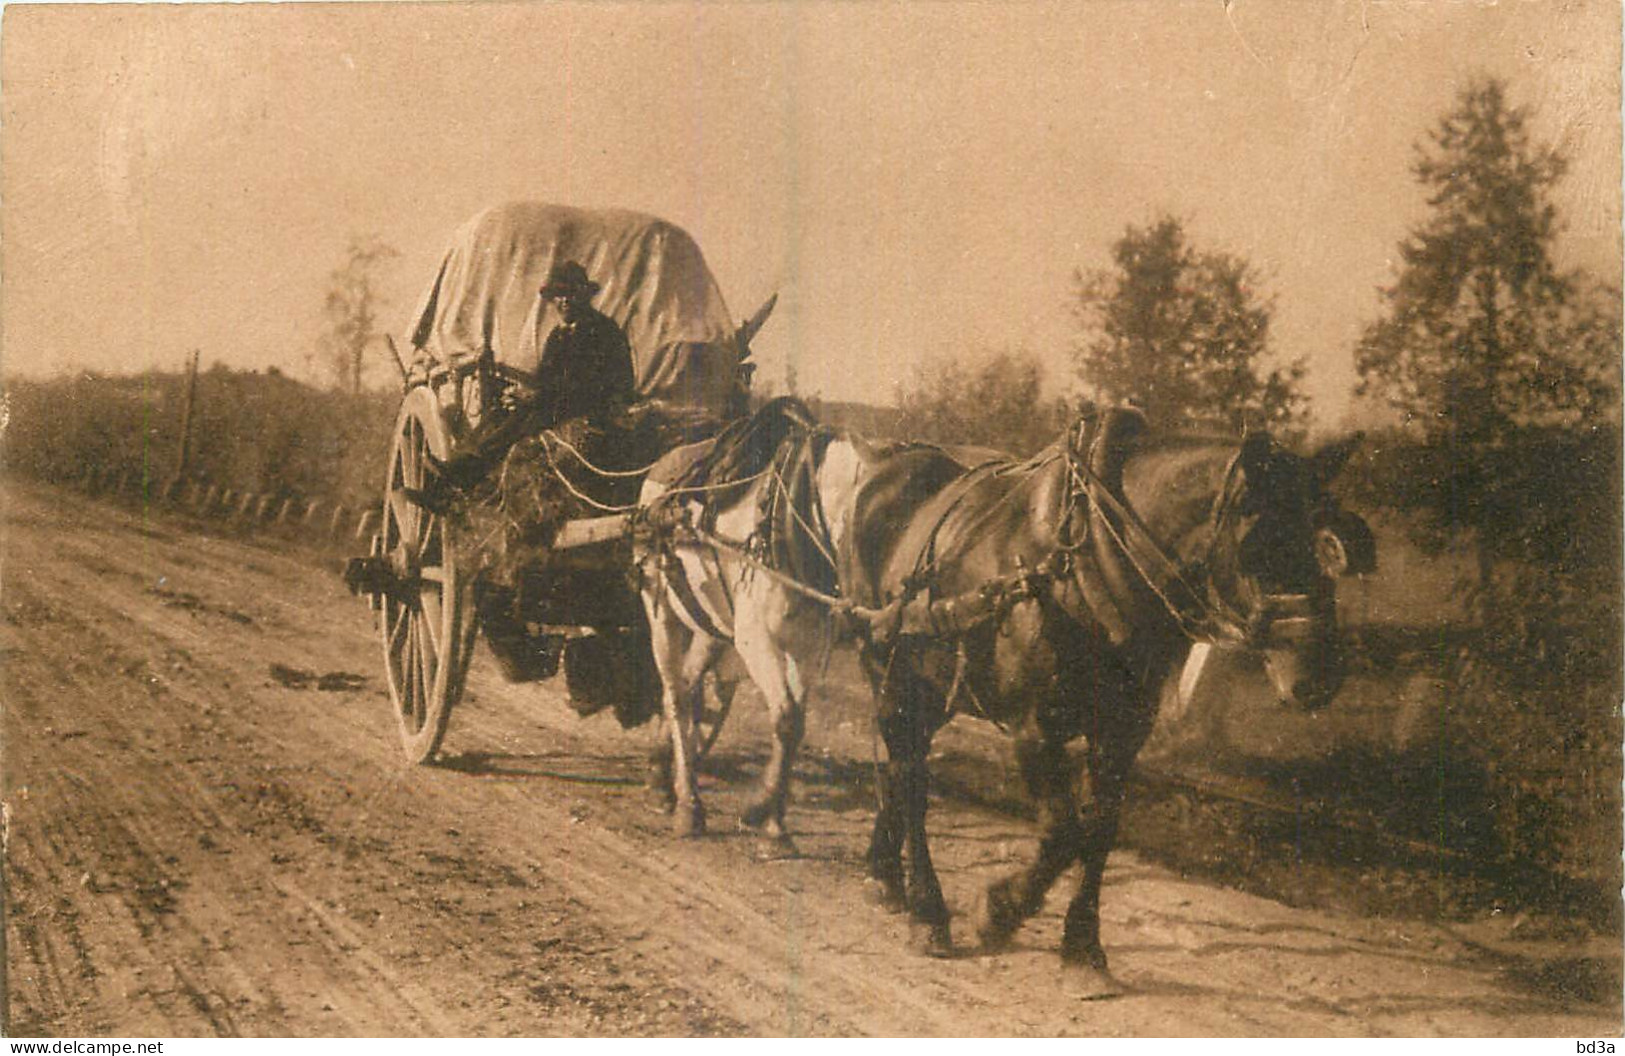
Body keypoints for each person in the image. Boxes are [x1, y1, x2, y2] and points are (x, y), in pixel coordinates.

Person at [409, 259, 636, 508]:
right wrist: (522, 393)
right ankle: (454, 483)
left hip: (592, 408)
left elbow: (600, 383)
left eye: (571, 294)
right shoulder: (558, 335)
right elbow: (545, 378)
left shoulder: (603, 331)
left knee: (520, 422)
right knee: (499, 415)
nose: (564, 301)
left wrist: (537, 396)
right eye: (558, 295)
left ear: (584, 295)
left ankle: (461, 478)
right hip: (560, 404)